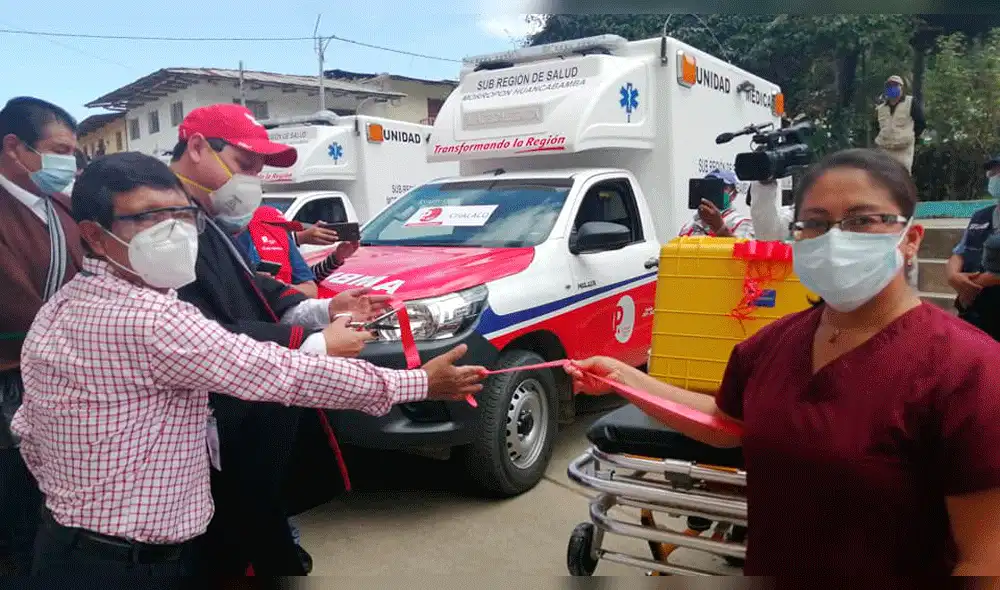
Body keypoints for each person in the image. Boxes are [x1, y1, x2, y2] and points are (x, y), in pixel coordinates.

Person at [11, 151, 485, 577]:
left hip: (67, 544)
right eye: (149, 218)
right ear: (95, 235)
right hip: (132, 566)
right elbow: (282, 374)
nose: (172, 233)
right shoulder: (151, 319)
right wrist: (417, 383)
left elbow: (28, 429)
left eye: (181, 215)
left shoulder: (61, 305)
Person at [569, 148, 1000, 578]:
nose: (835, 240)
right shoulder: (772, 344)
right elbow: (724, 422)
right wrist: (622, 377)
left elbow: (985, 561)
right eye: (815, 223)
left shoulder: (970, 370)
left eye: (861, 221)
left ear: (911, 239)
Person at [167, 103, 371, 575]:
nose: (252, 183)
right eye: (244, 165)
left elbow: (251, 285)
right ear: (197, 148)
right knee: (222, 541)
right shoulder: (162, 225)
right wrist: (312, 340)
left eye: (258, 171)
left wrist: (326, 309)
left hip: (248, 404)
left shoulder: (208, 218)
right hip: (205, 420)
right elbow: (198, 331)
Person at [0, 96, 82, 575]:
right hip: (12, 386)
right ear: (14, 146)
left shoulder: (64, 207)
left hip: (68, 386)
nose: (68, 163)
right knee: (16, 518)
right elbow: (14, 303)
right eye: (59, 150)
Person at [238, 206, 358, 298]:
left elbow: (307, 283)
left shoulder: (284, 242)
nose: (280, 234)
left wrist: (336, 259)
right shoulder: (241, 240)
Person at [946, 153, 1000, 340]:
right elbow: (960, 252)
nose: (995, 177)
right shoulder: (981, 216)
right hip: (976, 315)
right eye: (993, 173)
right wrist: (953, 275)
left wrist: (973, 283)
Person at [678, 169, 753, 238]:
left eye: (722, 187)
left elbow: (741, 248)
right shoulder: (689, 226)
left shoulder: (743, 223)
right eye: (710, 186)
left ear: (733, 194)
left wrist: (720, 228)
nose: (713, 191)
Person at [874, 75, 925, 173]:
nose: (892, 88)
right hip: (884, 150)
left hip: (903, 150)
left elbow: (921, 123)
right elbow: (877, 127)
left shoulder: (911, 102)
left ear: (901, 87)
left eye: (895, 85)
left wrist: (910, 136)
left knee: (901, 177)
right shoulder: (880, 108)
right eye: (889, 86)